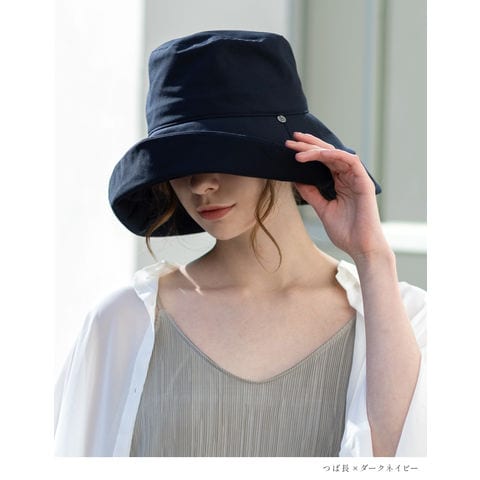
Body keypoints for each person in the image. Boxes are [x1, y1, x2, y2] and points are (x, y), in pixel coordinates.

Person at [54, 30, 426, 457]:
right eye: (181, 163)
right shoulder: (124, 321)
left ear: (284, 155)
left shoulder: (403, 317)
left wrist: (372, 257)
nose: (200, 185)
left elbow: (403, 458)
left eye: (223, 156)